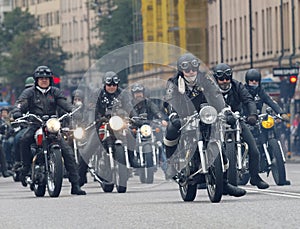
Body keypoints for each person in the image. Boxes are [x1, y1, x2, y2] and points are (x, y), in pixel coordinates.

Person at [163, 53, 246, 197]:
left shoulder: (206, 79)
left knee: (218, 139)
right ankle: (171, 164)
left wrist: (226, 111)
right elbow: (170, 100)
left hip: (206, 114)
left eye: (193, 67)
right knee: (171, 130)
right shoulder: (173, 82)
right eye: (187, 68)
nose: (191, 71)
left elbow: (216, 96)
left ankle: (223, 183)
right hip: (184, 115)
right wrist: (173, 115)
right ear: (181, 70)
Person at [12, 66, 86, 195]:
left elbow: (65, 104)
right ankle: (25, 168)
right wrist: (17, 112)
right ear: (36, 80)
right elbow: (20, 104)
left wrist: (73, 111)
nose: (44, 80)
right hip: (35, 123)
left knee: (68, 152)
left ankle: (75, 185)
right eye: (41, 78)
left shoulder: (55, 92)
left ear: (50, 80)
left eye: (46, 78)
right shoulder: (29, 93)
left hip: (52, 125)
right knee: (24, 139)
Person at [213, 63, 269, 189]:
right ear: (216, 79)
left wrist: (253, 115)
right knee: (209, 146)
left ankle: (255, 177)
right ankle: (209, 176)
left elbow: (248, 100)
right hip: (217, 122)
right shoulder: (210, 89)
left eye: (227, 78)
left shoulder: (237, 86)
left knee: (254, 150)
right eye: (221, 79)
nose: (224, 81)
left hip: (237, 120)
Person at [78, 71, 137, 186]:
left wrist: (135, 117)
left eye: (114, 85)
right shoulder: (97, 93)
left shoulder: (123, 94)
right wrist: (93, 120)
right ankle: (80, 176)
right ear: (104, 84)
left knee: (130, 135)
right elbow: (91, 109)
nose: (112, 87)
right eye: (109, 85)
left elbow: (129, 107)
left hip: (118, 123)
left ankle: (131, 158)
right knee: (88, 149)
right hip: (102, 123)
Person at [130, 83, 168, 171]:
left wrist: (161, 118)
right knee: (129, 138)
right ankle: (132, 160)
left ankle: (164, 165)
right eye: (136, 93)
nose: (138, 94)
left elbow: (156, 111)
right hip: (135, 126)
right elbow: (126, 113)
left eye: (140, 92)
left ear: (143, 93)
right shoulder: (130, 104)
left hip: (148, 126)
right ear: (133, 94)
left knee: (160, 141)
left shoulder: (148, 102)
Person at [12, 77, 35, 177]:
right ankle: (19, 162)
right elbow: (18, 108)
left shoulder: (42, 98)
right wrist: (17, 114)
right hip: (27, 127)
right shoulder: (23, 100)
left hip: (41, 126)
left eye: (32, 87)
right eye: (28, 87)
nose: (30, 89)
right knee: (18, 139)